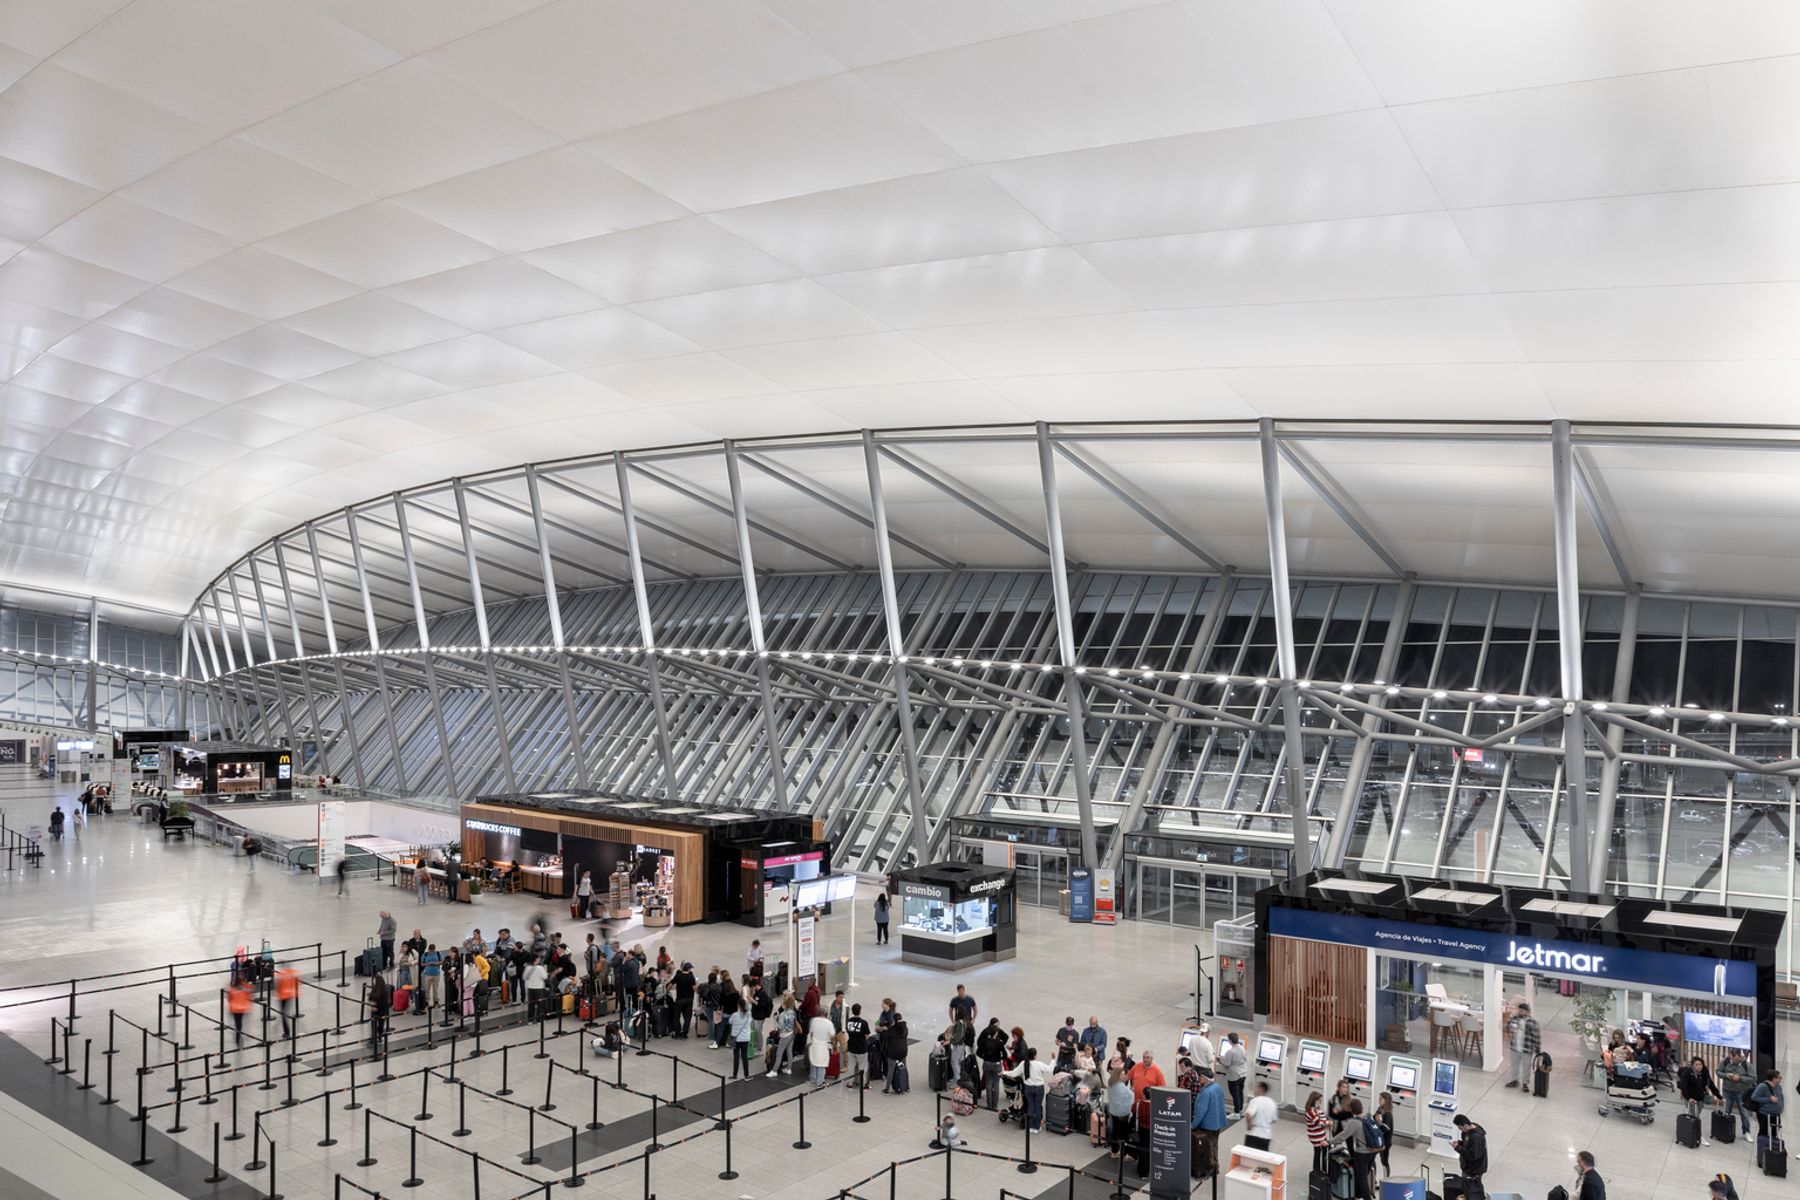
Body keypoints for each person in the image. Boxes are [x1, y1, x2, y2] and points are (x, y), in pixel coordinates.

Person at [1329, 1098, 1380, 1200]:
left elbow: (1343, 1136)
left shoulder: (1355, 1122)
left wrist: (1329, 1141)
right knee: (1365, 1174)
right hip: (1373, 1151)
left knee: (1362, 1178)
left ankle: (1365, 1197)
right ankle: (1358, 1195)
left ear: (1352, 1110)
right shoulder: (1368, 1116)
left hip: (1362, 1153)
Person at [1190, 1066, 1228, 1180]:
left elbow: (1201, 1112)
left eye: (1201, 1077)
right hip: (1217, 1123)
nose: (1199, 1079)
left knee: (1208, 1149)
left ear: (1205, 1078)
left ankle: (1210, 1170)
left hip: (1207, 1125)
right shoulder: (1217, 1087)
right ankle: (1216, 1167)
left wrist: (1192, 1125)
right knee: (1214, 1146)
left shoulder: (1206, 1092)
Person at [1004, 1046, 1053, 1132]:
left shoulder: (1023, 1063)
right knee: (1037, 1107)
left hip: (1028, 1088)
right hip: (1038, 1088)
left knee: (1030, 1107)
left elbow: (1014, 1073)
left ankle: (1030, 1127)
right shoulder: (1039, 1064)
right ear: (1035, 1056)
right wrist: (1053, 1059)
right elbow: (1050, 1069)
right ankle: (1036, 1127)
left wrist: (1003, 1072)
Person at [1679, 1055, 1721, 1141]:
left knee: (1697, 1115)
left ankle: (1692, 1131)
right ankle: (1698, 1135)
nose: (1699, 1067)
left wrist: (1718, 1095)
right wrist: (1688, 1098)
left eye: (1700, 1064)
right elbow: (1684, 1087)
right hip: (1690, 1098)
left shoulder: (1704, 1072)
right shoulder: (1687, 1073)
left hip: (1700, 1097)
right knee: (1695, 1117)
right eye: (1696, 1065)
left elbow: (1710, 1084)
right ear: (1692, 1065)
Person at [1718, 1047, 1754, 1137]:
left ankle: (1746, 1132)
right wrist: (1726, 1076)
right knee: (1726, 1111)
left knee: (1744, 1113)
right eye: (1733, 1059)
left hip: (1741, 1092)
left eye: (1736, 1059)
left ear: (1740, 1056)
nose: (1734, 1061)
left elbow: (1753, 1078)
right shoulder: (1725, 1061)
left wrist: (1740, 1078)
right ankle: (1725, 1130)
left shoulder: (1747, 1065)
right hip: (1727, 1090)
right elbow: (1718, 1072)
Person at [1504, 1001, 1540, 1090]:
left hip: (1527, 1048)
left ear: (1527, 1012)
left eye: (1522, 1011)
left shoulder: (1532, 1022)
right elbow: (1506, 1028)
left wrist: (1537, 1048)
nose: (1520, 1012)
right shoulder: (1514, 1019)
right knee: (1514, 1065)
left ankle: (1525, 1083)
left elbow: (1536, 1036)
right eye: (1519, 1010)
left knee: (1526, 1067)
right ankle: (1515, 1080)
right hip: (1515, 1047)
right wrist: (1509, 1026)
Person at [976, 1017, 1008, 1110]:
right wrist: (1000, 1058)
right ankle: (995, 1105)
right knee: (996, 1084)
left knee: (988, 1083)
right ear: (995, 1034)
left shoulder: (984, 1042)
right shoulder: (999, 1043)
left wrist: (985, 1057)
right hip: (996, 1064)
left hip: (986, 1064)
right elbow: (1005, 1055)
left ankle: (989, 1105)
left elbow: (978, 1052)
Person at [1450, 1115, 1486, 1195]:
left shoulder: (1476, 1138)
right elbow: (1468, 1144)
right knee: (1467, 1187)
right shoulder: (1468, 1132)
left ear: (1465, 1125)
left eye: (1460, 1128)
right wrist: (1460, 1143)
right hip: (1468, 1167)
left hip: (1473, 1170)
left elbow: (1472, 1156)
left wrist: (1458, 1148)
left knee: (1472, 1189)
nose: (1460, 1130)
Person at [1105, 1068, 1136, 1158]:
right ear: (1117, 1076)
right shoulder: (1121, 1087)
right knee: (1124, 1134)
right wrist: (1131, 1091)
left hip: (1113, 1112)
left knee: (1115, 1131)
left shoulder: (1111, 1084)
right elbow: (1130, 1097)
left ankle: (1114, 1151)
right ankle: (1124, 1153)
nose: (1124, 1076)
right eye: (1122, 1074)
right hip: (1122, 1114)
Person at [1750, 1069, 1784, 1147]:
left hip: (1776, 1115)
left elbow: (1781, 1097)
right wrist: (1769, 1099)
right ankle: (1761, 1149)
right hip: (1765, 1115)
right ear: (1773, 1078)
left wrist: (1781, 1106)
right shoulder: (1763, 1086)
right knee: (1764, 1132)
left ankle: (1770, 1148)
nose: (1780, 1079)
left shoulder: (1779, 1086)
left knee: (1774, 1133)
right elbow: (1754, 1097)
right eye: (1779, 1077)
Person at [881, 1008, 910, 1094]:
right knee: (904, 1067)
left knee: (891, 1070)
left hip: (893, 1052)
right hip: (903, 1051)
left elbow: (887, 1040)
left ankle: (887, 1089)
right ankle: (906, 1086)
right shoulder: (905, 1028)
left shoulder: (892, 1030)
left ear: (894, 1020)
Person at [768, 996, 799, 1076]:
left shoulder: (782, 1014)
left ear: (786, 1004)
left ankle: (774, 1070)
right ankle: (789, 1068)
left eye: (783, 1002)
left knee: (779, 1053)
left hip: (784, 1035)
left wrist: (777, 1018)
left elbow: (780, 1027)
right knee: (789, 1051)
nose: (781, 1004)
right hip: (792, 1034)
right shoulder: (793, 1012)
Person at [1243, 1080, 1278, 1151]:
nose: (1254, 1089)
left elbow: (1249, 1114)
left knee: (1249, 1158)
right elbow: (1274, 1119)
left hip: (1254, 1134)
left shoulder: (1255, 1100)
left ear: (1262, 1089)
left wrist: (1249, 1126)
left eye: (1256, 1087)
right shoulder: (1272, 1103)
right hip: (1266, 1136)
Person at [844, 1002, 872, 1087]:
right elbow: (867, 1035)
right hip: (861, 1049)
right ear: (860, 1011)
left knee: (851, 1066)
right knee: (862, 1067)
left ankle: (850, 1083)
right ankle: (863, 1084)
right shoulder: (864, 1023)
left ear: (852, 1011)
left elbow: (848, 1032)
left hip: (851, 1047)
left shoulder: (849, 1022)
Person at [1220, 1031, 1249, 1112]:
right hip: (1243, 1074)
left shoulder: (1230, 1052)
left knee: (1234, 1094)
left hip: (1234, 1076)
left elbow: (1227, 1064)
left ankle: (1236, 1112)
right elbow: (1245, 1059)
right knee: (1240, 1092)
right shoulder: (1242, 1048)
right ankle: (1240, 1108)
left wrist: (1221, 1059)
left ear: (1230, 1041)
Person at [1304, 1090, 1331, 1176]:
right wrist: (1327, 1122)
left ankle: (1321, 1169)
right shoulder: (1310, 1111)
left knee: (1321, 1152)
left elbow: (1322, 1118)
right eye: (1319, 1101)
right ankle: (1318, 1170)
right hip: (1316, 1136)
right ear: (1314, 1101)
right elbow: (1319, 1122)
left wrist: (1324, 1121)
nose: (1321, 1102)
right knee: (1319, 1153)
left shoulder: (1316, 1109)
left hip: (1320, 1134)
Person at [806, 1010, 834, 1084]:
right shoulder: (829, 1023)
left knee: (813, 1062)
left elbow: (811, 1033)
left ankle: (812, 1079)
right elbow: (832, 1035)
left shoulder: (814, 1020)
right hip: (823, 1046)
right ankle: (820, 1082)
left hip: (814, 1045)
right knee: (821, 1064)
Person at [728, 1001, 754, 1080]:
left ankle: (734, 1075)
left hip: (736, 1039)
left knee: (736, 1057)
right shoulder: (748, 1015)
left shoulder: (735, 1015)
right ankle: (746, 1075)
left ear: (738, 1006)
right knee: (744, 1057)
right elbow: (750, 1007)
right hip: (745, 1038)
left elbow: (730, 1022)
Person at [274, 966, 301, 1040]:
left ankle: (287, 1032)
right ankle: (287, 1031)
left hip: (283, 996)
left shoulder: (280, 975)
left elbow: (278, 985)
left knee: (284, 1014)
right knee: (285, 1014)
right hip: (290, 995)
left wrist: (276, 994)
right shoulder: (292, 972)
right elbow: (297, 982)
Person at [368, 971, 392, 1050]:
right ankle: (379, 1036)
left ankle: (375, 1038)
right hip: (381, 1009)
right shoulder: (384, 989)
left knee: (375, 1024)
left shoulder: (378, 990)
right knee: (381, 1023)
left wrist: (373, 1004)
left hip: (377, 1009)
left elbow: (372, 998)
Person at [227, 978, 253, 1047]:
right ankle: (238, 1036)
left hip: (234, 1009)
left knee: (237, 1023)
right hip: (241, 1008)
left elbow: (229, 999)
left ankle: (237, 1037)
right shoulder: (244, 989)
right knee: (239, 1023)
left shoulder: (232, 989)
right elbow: (250, 990)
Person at [1374, 1091, 1395, 1176]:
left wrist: (1378, 1124)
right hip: (1379, 1140)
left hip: (1385, 1141)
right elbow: (1374, 1117)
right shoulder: (1380, 1109)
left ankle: (1386, 1180)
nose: (1379, 1100)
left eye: (1381, 1099)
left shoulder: (1387, 1113)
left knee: (1384, 1161)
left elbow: (1386, 1128)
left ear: (1386, 1101)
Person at [523, 954, 548, 1021]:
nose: (539, 960)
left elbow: (524, 977)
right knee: (540, 1005)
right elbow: (545, 977)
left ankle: (530, 1020)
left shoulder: (527, 968)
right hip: (539, 988)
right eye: (538, 959)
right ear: (536, 960)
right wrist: (545, 970)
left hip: (530, 988)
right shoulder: (540, 968)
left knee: (531, 1005)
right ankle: (539, 1020)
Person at [420, 943, 443, 1012]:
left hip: (436, 974)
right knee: (427, 988)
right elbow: (421, 964)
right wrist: (428, 964)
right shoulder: (425, 955)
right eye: (430, 951)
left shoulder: (438, 954)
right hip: (427, 974)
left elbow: (442, 961)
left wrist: (437, 963)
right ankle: (426, 1001)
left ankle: (436, 1001)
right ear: (428, 949)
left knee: (435, 989)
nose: (432, 952)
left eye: (433, 951)